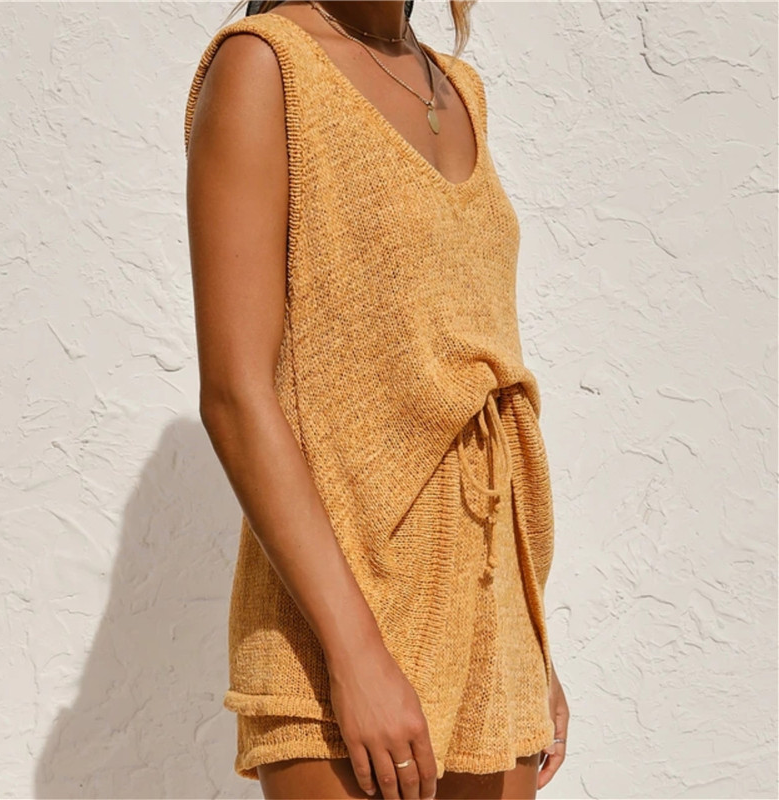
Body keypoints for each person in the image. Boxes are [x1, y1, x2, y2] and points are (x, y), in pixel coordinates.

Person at [184, 1, 569, 797]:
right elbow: (234, 395)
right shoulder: (266, 64)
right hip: (340, 613)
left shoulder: (459, 89)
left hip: (490, 619)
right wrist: (356, 654)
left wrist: (531, 642)